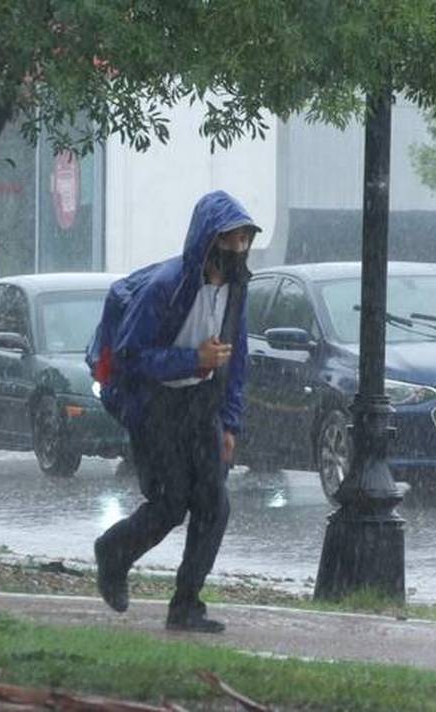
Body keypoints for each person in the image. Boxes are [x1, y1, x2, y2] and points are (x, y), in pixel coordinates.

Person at [94, 191, 257, 633]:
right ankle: (114, 552)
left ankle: (186, 606)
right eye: (230, 239)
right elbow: (130, 357)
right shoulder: (166, 287)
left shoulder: (237, 289)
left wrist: (230, 422)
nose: (239, 248)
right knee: (170, 503)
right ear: (208, 240)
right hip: (156, 405)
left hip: (203, 405)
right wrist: (192, 360)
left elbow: (236, 358)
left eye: (245, 239)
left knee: (214, 505)